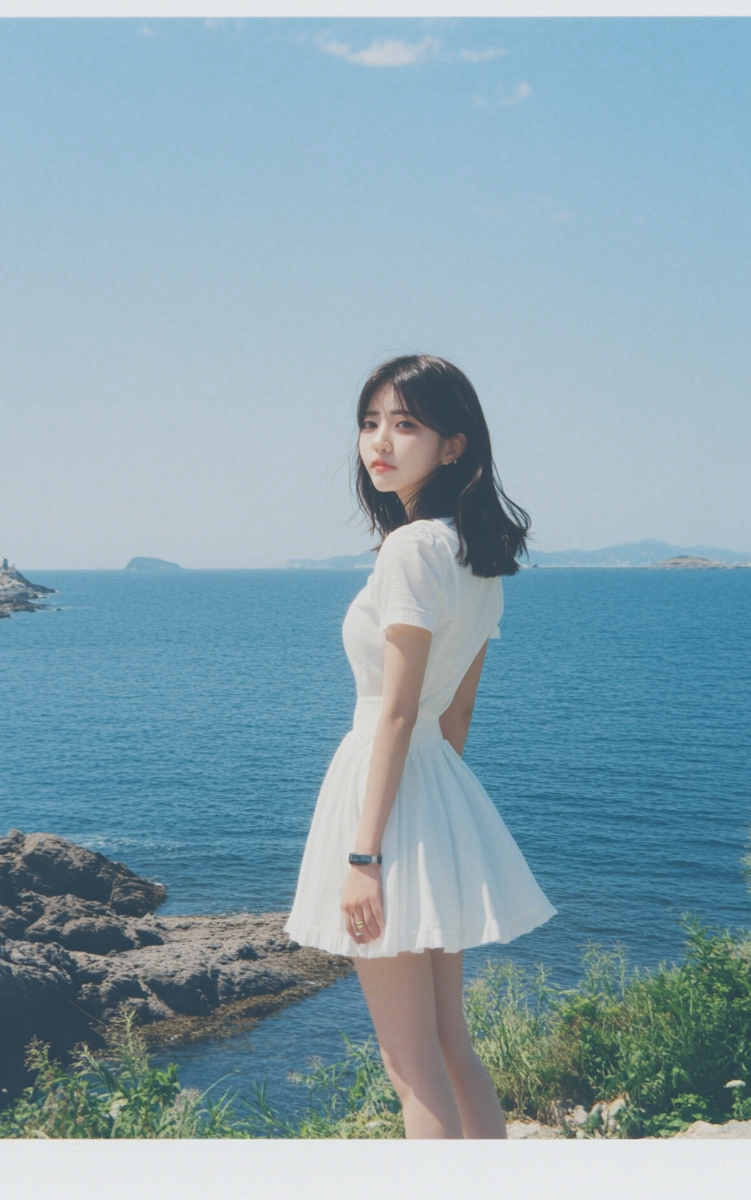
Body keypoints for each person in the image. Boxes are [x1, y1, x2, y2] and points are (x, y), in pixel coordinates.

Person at [284, 355, 557, 1139]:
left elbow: (398, 714)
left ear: (454, 446)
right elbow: (456, 718)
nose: (380, 441)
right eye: (371, 422)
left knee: (412, 1069)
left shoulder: (408, 552)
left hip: (383, 793)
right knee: (451, 1046)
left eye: (407, 424)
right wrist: (434, 835)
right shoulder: (478, 558)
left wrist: (366, 857)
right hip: (431, 792)